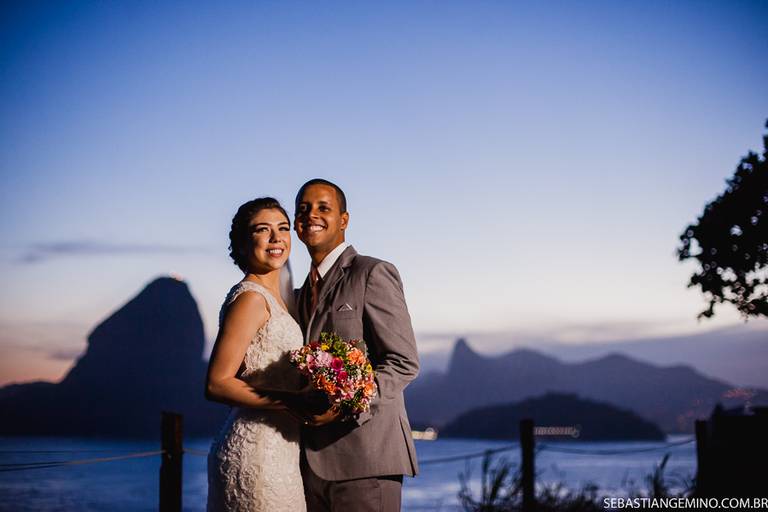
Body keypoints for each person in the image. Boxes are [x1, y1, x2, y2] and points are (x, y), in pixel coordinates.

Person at [294, 179, 420, 512]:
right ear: (295, 223)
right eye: (303, 209)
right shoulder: (297, 293)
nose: (312, 215)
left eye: (324, 208)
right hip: (308, 466)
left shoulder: (372, 273)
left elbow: (403, 361)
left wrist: (346, 403)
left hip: (368, 458)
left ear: (344, 220)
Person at [206, 197, 307, 512]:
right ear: (243, 243)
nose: (277, 238)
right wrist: (293, 403)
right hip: (257, 454)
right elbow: (217, 383)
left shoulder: (280, 300)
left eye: (283, 228)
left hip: (281, 451)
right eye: (263, 230)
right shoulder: (250, 299)